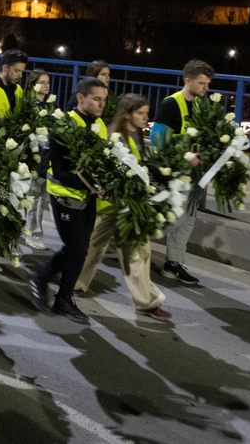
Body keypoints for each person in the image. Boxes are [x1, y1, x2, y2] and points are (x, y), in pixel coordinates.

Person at [75, 93, 171, 320]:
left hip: (127, 209)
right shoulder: (114, 138)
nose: (145, 117)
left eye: (146, 113)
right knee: (92, 249)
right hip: (110, 207)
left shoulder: (134, 136)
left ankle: (146, 302)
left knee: (138, 253)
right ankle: (75, 283)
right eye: (140, 113)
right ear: (126, 114)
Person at [29, 77, 108, 324]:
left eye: (104, 100)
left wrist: (107, 183)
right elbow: (61, 170)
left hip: (89, 197)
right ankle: (45, 282)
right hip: (65, 196)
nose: (101, 104)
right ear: (81, 97)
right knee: (76, 248)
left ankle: (60, 296)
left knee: (80, 251)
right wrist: (93, 185)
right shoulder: (63, 124)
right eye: (96, 98)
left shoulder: (101, 126)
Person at [150, 59, 214, 286]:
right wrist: (187, 154)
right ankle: (130, 245)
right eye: (202, 83)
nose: (206, 88)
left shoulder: (201, 105)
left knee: (187, 221)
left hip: (194, 175)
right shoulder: (171, 104)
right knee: (172, 220)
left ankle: (173, 264)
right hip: (174, 174)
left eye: (208, 84)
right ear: (187, 81)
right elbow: (158, 138)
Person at [21, 69, 53, 250]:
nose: (47, 85)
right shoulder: (30, 105)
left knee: (38, 195)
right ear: (33, 85)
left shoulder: (48, 105)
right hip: (32, 155)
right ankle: (33, 234)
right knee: (35, 196)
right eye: (43, 82)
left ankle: (30, 230)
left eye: (48, 81)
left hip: (45, 155)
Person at [0, 49, 28, 117]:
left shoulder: (18, 89)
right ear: (5, 68)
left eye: (21, 71)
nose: (20, 75)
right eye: (16, 71)